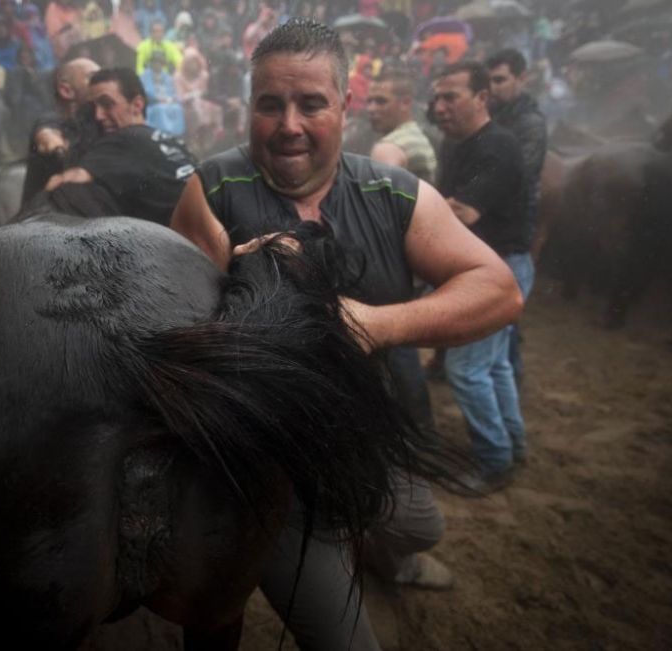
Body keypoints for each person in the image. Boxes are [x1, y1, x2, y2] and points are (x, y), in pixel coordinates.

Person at [170, 19, 522, 651]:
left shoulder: (392, 194)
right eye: (269, 104)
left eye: (311, 104)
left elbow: (499, 289)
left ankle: (393, 560)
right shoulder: (215, 188)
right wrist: (244, 283)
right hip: (267, 465)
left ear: (346, 105)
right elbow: (178, 333)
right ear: (249, 106)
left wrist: (374, 323)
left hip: (372, 433)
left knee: (419, 527)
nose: (289, 125)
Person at [431, 60, 533, 491]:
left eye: (450, 96)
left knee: (467, 369)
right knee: (493, 366)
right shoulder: (459, 145)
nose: (438, 107)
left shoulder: (498, 146)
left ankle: (494, 462)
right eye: (435, 97)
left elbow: (463, 212)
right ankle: (513, 444)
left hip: (499, 269)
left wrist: (407, 206)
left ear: (481, 98)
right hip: (494, 264)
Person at [41, 67, 197, 225]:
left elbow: (63, 182)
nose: (98, 116)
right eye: (93, 108)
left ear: (137, 105)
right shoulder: (172, 141)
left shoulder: (123, 139)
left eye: (107, 104)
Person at [486, 48, 547, 386]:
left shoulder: (530, 124)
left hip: (512, 230)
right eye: (489, 80)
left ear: (522, 79)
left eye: (501, 79)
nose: (494, 87)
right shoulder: (499, 115)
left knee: (504, 314)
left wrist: (474, 196)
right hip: (495, 229)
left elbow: (517, 177)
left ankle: (513, 375)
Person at [21, 57, 103, 203]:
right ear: (66, 90)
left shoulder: (98, 125)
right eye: (93, 77)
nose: (102, 83)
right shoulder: (52, 120)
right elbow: (48, 139)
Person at [366, 67, 438, 183]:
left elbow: (379, 199)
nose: (371, 109)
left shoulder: (390, 147)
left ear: (405, 102)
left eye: (381, 101)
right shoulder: (414, 136)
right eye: (369, 101)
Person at [140, 51, 186, 136]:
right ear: (151, 63)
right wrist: (157, 99)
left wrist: (172, 99)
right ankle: (162, 134)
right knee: (160, 109)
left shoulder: (167, 77)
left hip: (168, 103)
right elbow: (144, 93)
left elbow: (173, 93)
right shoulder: (144, 76)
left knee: (177, 108)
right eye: (156, 62)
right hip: (152, 105)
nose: (158, 64)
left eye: (160, 62)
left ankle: (177, 134)